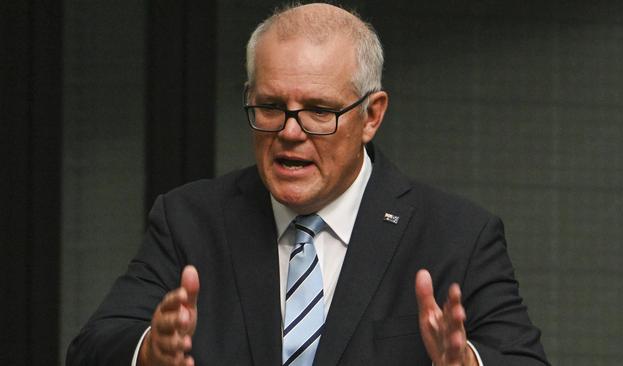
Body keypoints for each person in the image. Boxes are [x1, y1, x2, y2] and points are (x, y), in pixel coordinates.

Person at [67, 3, 549, 366]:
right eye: (271, 106)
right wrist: (149, 350)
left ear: (371, 115)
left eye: (319, 111)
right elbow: (91, 348)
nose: (289, 132)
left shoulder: (456, 235)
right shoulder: (190, 220)